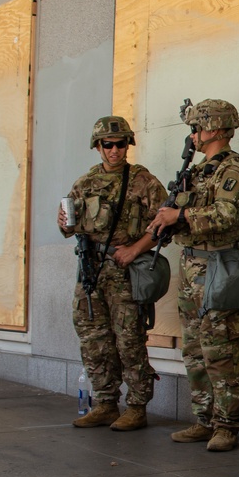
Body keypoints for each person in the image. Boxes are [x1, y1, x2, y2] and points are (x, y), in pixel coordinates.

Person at [146, 99, 239, 452]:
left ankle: (226, 425)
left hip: (218, 266)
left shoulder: (235, 169)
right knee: (195, 349)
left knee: (221, 349)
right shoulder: (199, 171)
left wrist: (179, 217)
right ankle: (204, 418)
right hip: (192, 266)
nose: (193, 135)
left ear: (213, 128)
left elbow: (227, 215)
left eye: (197, 127)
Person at [58, 116, 167, 431]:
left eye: (121, 144)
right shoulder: (85, 183)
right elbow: (69, 226)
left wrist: (135, 250)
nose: (115, 151)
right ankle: (106, 401)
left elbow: (162, 224)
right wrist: (64, 219)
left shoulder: (143, 182)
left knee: (129, 339)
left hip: (124, 270)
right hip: (92, 270)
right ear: (98, 146)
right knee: (93, 338)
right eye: (108, 145)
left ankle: (136, 406)